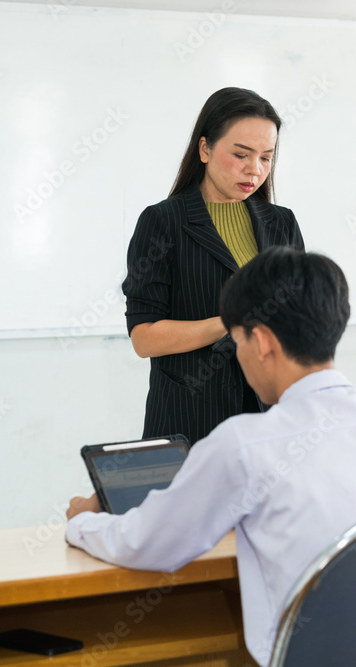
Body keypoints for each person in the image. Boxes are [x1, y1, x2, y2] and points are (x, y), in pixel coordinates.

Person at [67, 248, 356, 665]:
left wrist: (83, 521)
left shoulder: (246, 443)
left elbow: (148, 543)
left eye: (238, 339)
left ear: (261, 341)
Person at [123, 87, 305, 444]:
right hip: (189, 419)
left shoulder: (281, 223)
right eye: (241, 155)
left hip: (268, 419)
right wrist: (230, 324)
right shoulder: (164, 222)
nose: (255, 170)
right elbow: (144, 338)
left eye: (266, 158)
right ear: (205, 149)